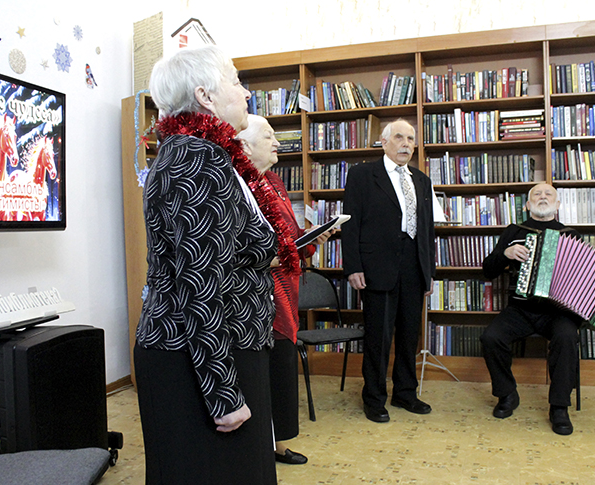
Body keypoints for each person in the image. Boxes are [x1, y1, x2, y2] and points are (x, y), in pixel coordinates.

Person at [134, 46, 277, 484]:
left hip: (216, 347)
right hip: (201, 359)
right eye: (235, 81)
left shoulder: (204, 153)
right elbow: (199, 284)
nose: (246, 93)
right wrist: (224, 393)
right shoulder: (197, 158)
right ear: (205, 96)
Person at [480, 183, 595, 435]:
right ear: (527, 205)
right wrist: (506, 253)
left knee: (567, 337)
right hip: (520, 308)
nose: (543, 197)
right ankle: (507, 394)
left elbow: (590, 279)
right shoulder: (514, 232)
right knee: (491, 338)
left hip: (559, 312)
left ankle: (559, 407)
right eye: (537, 194)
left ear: (557, 204)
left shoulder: (571, 235)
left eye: (548, 194)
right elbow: (488, 270)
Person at [237, 114, 333, 465]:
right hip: (260, 294)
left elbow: (290, 237)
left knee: (281, 370)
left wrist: (312, 239)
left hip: (286, 292)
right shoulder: (238, 185)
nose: (277, 142)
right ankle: (261, 446)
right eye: (268, 136)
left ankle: (279, 442)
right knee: (265, 371)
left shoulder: (274, 181)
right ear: (245, 146)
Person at [341, 118, 436, 423]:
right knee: (378, 337)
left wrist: (428, 271)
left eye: (411, 139)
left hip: (413, 266)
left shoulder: (421, 180)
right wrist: (353, 266)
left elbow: (427, 229)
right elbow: (350, 223)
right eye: (399, 137)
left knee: (409, 336)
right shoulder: (362, 175)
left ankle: (406, 392)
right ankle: (374, 398)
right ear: (383, 142)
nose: (406, 144)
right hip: (376, 266)